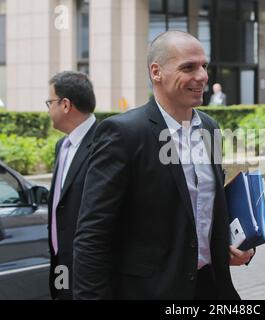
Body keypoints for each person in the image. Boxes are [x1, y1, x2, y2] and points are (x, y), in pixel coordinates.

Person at [73, 30, 254, 300]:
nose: (203, 76)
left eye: (204, 66)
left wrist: (239, 243)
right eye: (188, 67)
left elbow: (208, 207)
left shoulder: (210, 128)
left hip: (211, 287)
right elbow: (92, 234)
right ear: (156, 72)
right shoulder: (123, 133)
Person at [46, 71, 97, 300]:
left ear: (65, 104)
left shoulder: (105, 143)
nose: (48, 109)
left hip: (90, 269)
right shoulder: (62, 146)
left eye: (50, 102)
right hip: (61, 261)